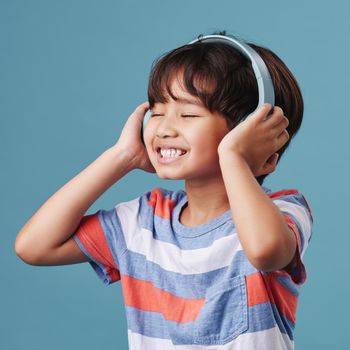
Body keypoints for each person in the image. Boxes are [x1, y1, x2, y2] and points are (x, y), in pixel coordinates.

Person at [14, 30, 314, 349]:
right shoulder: (143, 222)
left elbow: (265, 250)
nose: (165, 127)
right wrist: (120, 157)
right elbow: (33, 246)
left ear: (259, 139)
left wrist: (234, 156)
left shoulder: (285, 211)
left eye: (188, 114)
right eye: (157, 111)